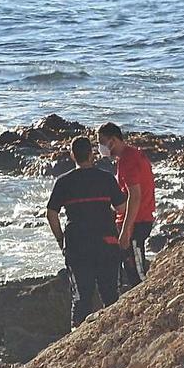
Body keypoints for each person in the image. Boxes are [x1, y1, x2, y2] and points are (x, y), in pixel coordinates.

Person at [46, 135, 126, 328]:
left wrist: (61, 240)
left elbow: (51, 214)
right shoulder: (106, 178)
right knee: (110, 294)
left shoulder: (64, 182)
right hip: (105, 242)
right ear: (91, 154)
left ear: (73, 156)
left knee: (81, 296)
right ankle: (113, 333)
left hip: (77, 245)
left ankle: (76, 337)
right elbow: (122, 208)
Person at [97, 122, 156, 290]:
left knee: (137, 272)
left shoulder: (128, 160)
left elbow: (135, 196)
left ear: (113, 140)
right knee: (130, 269)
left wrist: (125, 230)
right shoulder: (133, 155)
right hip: (136, 218)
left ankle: (147, 302)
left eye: (102, 142)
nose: (100, 147)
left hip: (137, 221)